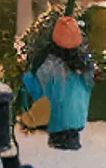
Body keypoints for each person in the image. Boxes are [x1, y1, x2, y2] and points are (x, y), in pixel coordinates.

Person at [21, 13, 95, 150]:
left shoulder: (49, 64)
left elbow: (38, 92)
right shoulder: (85, 64)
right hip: (77, 120)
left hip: (56, 121)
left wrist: (27, 78)